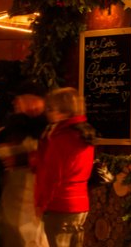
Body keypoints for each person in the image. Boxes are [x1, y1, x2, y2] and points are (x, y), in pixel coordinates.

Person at [33, 88, 95, 247]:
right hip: (80, 204)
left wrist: (42, 204)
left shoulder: (61, 139)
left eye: (51, 109)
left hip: (60, 204)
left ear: (64, 111)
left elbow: (52, 176)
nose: (48, 113)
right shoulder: (83, 134)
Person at [0, 83, 49, 247]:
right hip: (15, 192)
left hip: (35, 194)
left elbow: (51, 157)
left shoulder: (47, 126)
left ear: (33, 100)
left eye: (20, 99)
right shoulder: (14, 125)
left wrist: (21, 159)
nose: (15, 103)